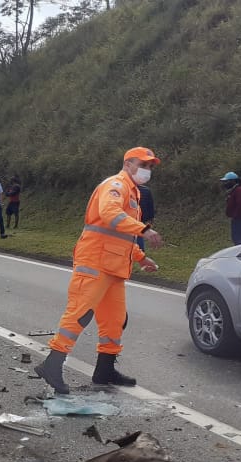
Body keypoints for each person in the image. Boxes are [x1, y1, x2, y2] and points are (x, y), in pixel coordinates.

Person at [34, 147, 164, 395]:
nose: (147, 170)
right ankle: (52, 364)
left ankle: (104, 371)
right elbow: (109, 214)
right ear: (128, 164)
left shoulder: (134, 193)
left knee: (115, 322)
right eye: (143, 165)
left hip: (113, 267)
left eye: (150, 167)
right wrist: (144, 230)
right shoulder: (116, 185)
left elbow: (120, 236)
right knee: (79, 314)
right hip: (94, 262)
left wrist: (142, 257)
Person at [222, 171, 241, 245]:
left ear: (233, 181)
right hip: (238, 217)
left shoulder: (239, 190)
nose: (225, 183)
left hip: (240, 217)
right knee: (236, 237)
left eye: (226, 181)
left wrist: (236, 215)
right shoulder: (234, 190)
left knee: (238, 238)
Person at [135, 184, 155, 251]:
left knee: (139, 236)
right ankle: (140, 251)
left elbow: (150, 207)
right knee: (139, 235)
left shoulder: (146, 190)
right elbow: (150, 208)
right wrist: (151, 219)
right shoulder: (146, 190)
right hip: (141, 220)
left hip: (135, 219)